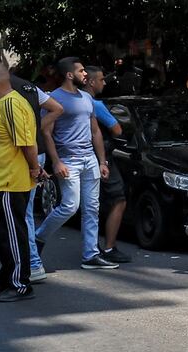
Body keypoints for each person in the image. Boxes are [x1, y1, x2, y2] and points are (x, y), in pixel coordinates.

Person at [36, 57, 117, 270]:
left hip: (90, 159)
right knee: (70, 206)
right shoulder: (53, 98)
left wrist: (102, 161)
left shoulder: (86, 98)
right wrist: (56, 162)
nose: (85, 74)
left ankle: (90, 255)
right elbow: (46, 132)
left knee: (92, 208)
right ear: (69, 75)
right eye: (81, 71)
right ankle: (38, 237)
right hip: (68, 160)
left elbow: (95, 131)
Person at [0, 61, 43, 302]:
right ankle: (8, 277)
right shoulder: (0, 105)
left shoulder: (12, 104)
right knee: (4, 235)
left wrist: (36, 168)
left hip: (9, 182)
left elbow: (27, 142)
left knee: (14, 235)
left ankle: (20, 284)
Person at [13, 69, 64, 281]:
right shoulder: (30, 87)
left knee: (22, 213)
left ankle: (32, 263)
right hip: (37, 151)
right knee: (25, 212)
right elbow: (57, 108)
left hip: (26, 153)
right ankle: (31, 262)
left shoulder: (3, 91)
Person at [84, 66, 131, 264]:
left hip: (82, 155)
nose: (104, 83)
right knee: (118, 199)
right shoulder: (96, 105)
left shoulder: (76, 100)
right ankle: (109, 247)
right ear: (91, 82)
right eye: (101, 79)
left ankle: (91, 248)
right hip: (101, 156)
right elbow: (117, 130)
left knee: (90, 204)